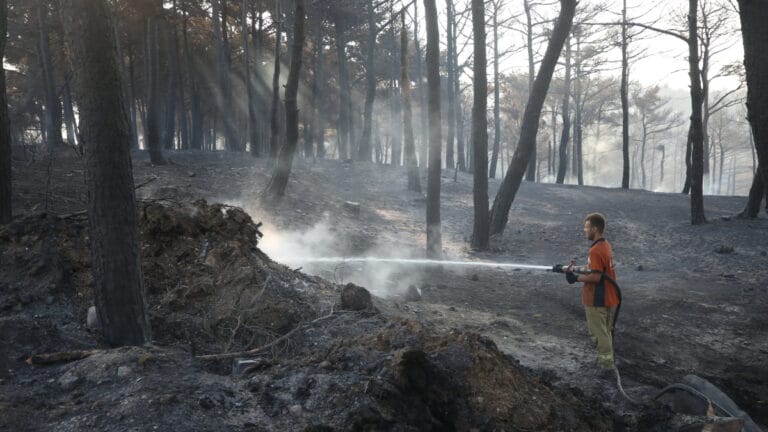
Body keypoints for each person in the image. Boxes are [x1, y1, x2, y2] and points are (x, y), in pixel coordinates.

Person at [565, 213, 620, 375]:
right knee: (606, 331)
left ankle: (607, 367)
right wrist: (574, 269)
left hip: (597, 299)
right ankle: (608, 361)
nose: (584, 230)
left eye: (586, 227)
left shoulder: (595, 250)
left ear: (594, 229)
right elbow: (595, 269)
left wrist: (575, 278)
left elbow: (595, 277)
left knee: (599, 334)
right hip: (608, 296)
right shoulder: (605, 245)